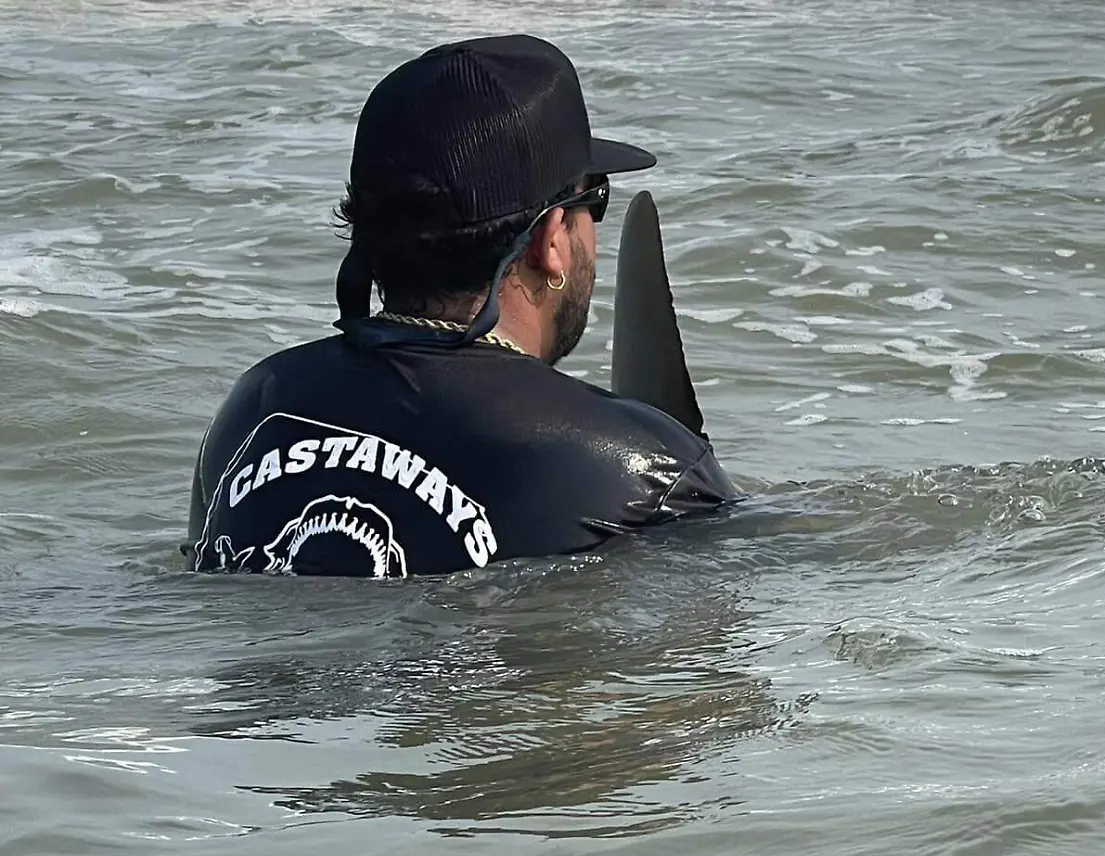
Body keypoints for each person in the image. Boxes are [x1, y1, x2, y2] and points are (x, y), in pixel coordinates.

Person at [182, 34, 739, 579]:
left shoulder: (252, 413)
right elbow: (704, 648)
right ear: (550, 238)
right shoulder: (635, 466)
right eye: (595, 201)